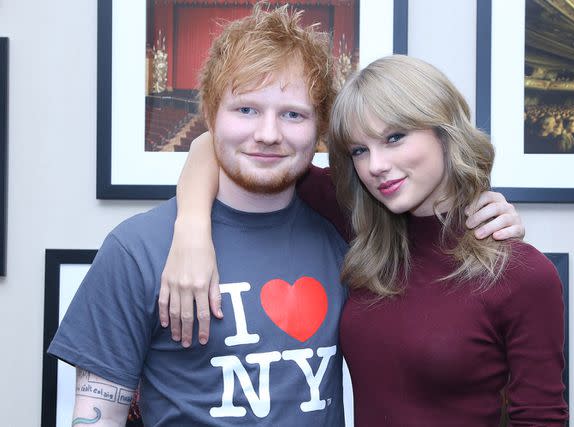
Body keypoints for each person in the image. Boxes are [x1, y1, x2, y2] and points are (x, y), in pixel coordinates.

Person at [160, 55, 565, 424]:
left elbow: (541, 417)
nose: (377, 166)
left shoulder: (522, 274)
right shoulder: (362, 228)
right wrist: (192, 231)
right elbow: (209, 146)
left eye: (394, 138)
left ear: (445, 132)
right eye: (358, 150)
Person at [48, 4, 352, 425]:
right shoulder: (136, 250)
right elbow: (97, 416)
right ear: (210, 116)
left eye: (293, 115)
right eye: (245, 109)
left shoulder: (346, 232)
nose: (268, 134)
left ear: (318, 128)